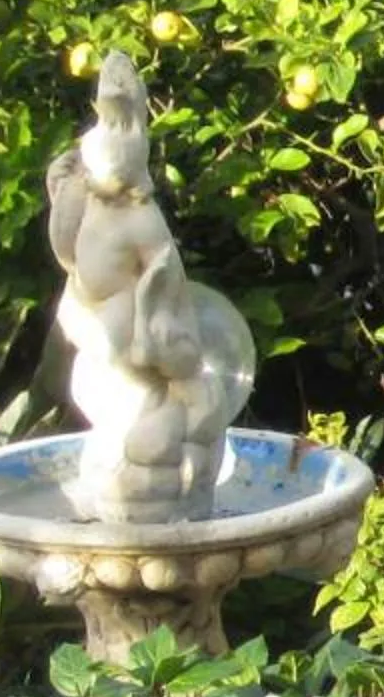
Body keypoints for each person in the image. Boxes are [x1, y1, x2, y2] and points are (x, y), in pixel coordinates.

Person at [44, 51, 251, 521]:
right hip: (101, 335)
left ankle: (169, 497)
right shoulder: (95, 202)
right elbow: (70, 253)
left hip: (139, 349)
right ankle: (129, 494)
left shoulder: (141, 219)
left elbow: (166, 281)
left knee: (148, 433)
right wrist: (61, 198)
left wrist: (159, 338)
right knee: (120, 426)